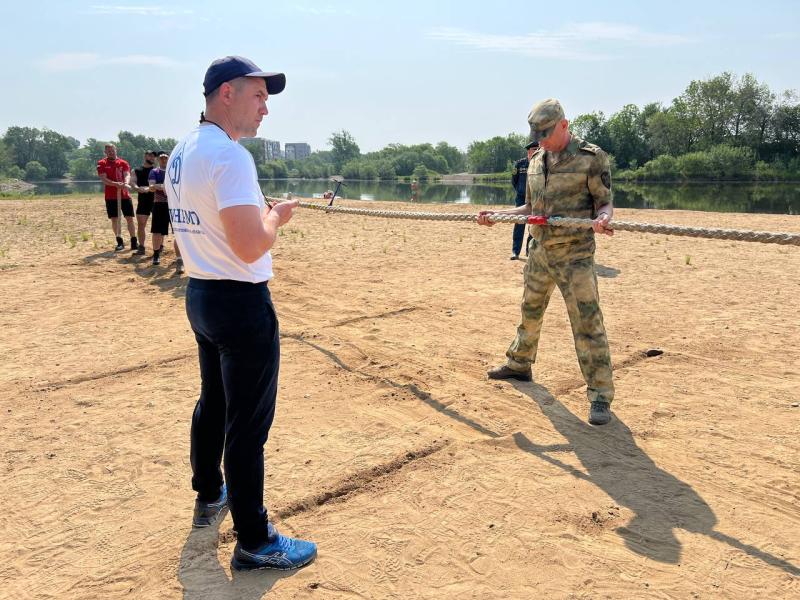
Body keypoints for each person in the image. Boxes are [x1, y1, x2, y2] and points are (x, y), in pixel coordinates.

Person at [165, 55, 316, 572]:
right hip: (239, 302)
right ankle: (255, 540)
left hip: (201, 294)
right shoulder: (229, 156)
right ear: (226, 93)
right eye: (258, 97)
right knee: (247, 426)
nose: (265, 109)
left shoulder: (184, 149)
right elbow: (251, 245)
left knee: (214, 401)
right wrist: (276, 217)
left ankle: (210, 494)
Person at [477, 98, 616, 426]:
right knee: (530, 311)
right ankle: (519, 364)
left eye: (546, 133)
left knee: (587, 324)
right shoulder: (537, 160)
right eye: (537, 135)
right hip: (539, 252)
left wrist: (603, 218)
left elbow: (605, 203)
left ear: (564, 125)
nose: (541, 140)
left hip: (575, 255)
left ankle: (600, 395)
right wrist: (498, 215)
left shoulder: (591, 158)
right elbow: (530, 209)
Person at [97, 144, 136, 251]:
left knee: (129, 218)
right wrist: (115, 184)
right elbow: (103, 179)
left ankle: (134, 241)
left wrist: (125, 183)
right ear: (105, 152)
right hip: (111, 197)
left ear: (116, 150)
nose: (111, 152)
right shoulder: (102, 163)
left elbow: (127, 174)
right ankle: (119, 241)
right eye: (108, 151)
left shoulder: (123, 163)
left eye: (112, 150)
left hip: (124, 196)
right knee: (115, 219)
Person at [148, 152, 182, 272]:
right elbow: (151, 186)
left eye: (166, 158)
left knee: (179, 231)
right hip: (159, 205)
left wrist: (163, 186)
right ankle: (156, 254)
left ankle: (180, 258)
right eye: (161, 158)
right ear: (158, 160)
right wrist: (164, 186)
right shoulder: (154, 172)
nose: (164, 160)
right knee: (157, 231)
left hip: (174, 205)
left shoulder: (174, 171)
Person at [510, 143, 536, 260]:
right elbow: (514, 181)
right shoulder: (520, 164)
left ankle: (529, 251)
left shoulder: (542, 163)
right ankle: (515, 252)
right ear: (528, 151)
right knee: (519, 224)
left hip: (536, 199)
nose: (537, 151)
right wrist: (521, 191)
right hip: (521, 198)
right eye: (534, 149)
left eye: (539, 149)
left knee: (534, 225)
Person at [131, 151, 156, 255]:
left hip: (156, 200)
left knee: (157, 225)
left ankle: (159, 246)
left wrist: (149, 189)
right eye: (150, 155)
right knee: (141, 224)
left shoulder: (156, 171)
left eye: (154, 156)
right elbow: (133, 182)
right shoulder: (136, 170)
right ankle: (141, 247)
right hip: (143, 201)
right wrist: (137, 188)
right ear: (145, 156)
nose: (152, 158)